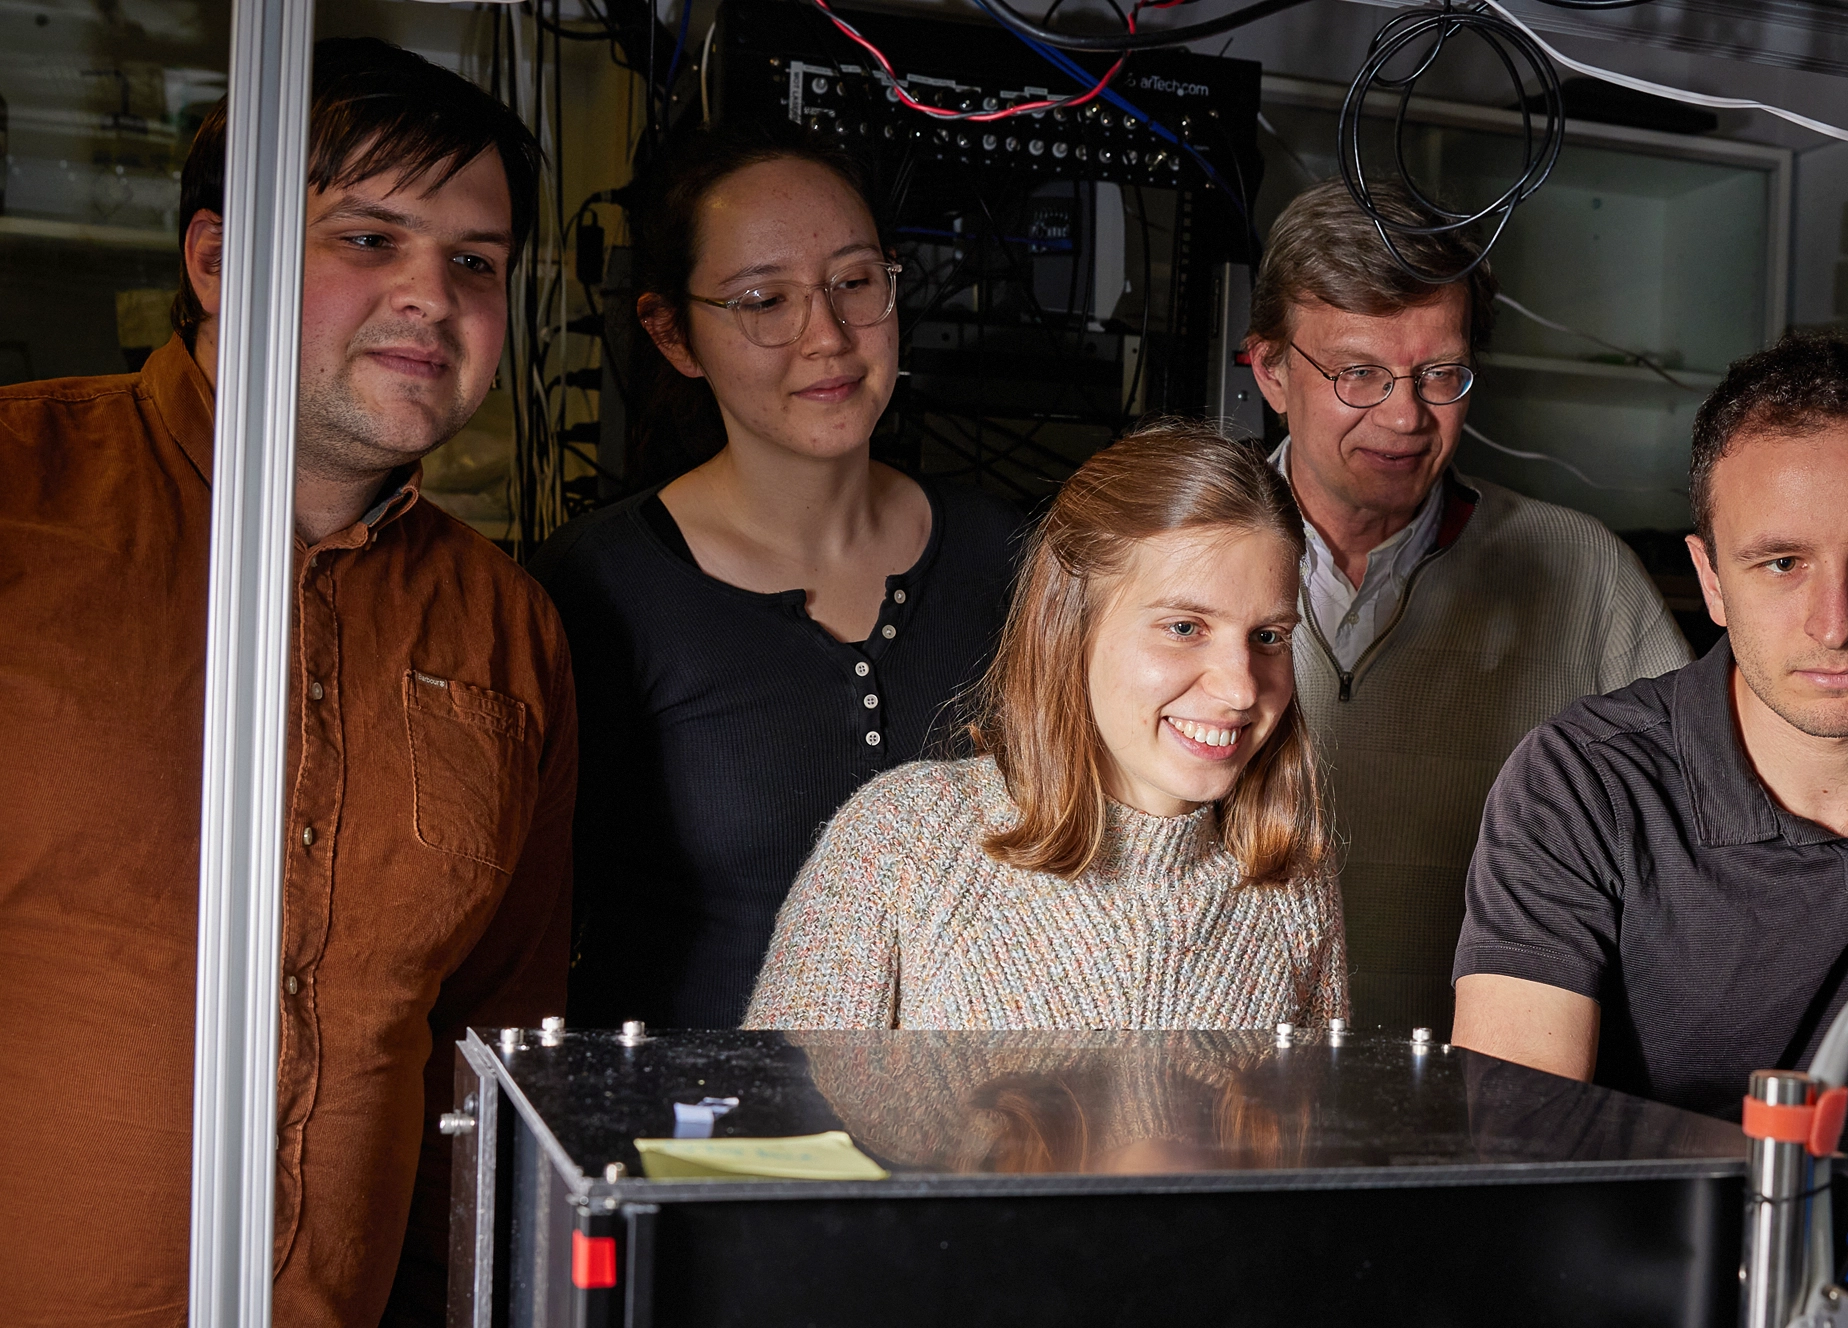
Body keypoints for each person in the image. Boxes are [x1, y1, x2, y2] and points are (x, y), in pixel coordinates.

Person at [0, 39, 572, 1327]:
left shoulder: (507, 628)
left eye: (476, 262)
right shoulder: (18, 500)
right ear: (216, 262)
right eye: (369, 238)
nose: (432, 295)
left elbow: (492, 1066)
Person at [531, 121, 1023, 1030]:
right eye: (765, 300)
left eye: (854, 283)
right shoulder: (596, 588)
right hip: (690, 1145)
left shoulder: (1015, 558)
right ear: (673, 334)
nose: (827, 336)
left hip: (954, 1143)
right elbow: (535, 937)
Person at [1449, 334, 1848, 1164]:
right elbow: (1513, 1165)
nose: (1836, 623)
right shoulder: (1583, 788)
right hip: (1668, 1282)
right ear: (1710, 582)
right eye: (1780, 563)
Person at [1247, 179, 1693, 1037]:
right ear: (1271, 369)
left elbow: (1685, 855)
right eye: (1359, 373)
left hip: (1486, 1093)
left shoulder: (1583, 569)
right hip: (1229, 1103)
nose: (1406, 416)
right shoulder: (1173, 570)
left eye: (1440, 374)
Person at [743, 422, 1347, 1030]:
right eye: (1184, 628)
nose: (1241, 688)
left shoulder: (1293, 884)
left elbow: (1316, 1125)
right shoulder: (902, 841)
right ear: (1071, 624)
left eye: (1268, 637)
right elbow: (779, 1118)